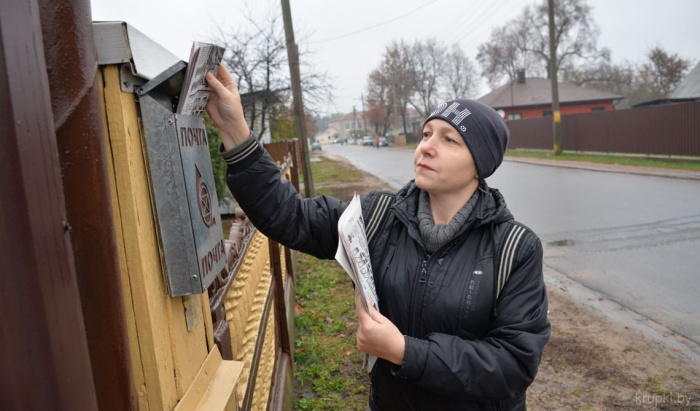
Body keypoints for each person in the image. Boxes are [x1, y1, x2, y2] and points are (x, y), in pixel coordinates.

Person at [205, 65, 550, 411]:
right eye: (427, 133)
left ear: (480, 164)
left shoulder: (513, 249)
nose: (428, 147)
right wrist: (236, 132)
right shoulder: (378, 217)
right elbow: (290, 216)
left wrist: (404, 351)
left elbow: (514, 364)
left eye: (449, 140)